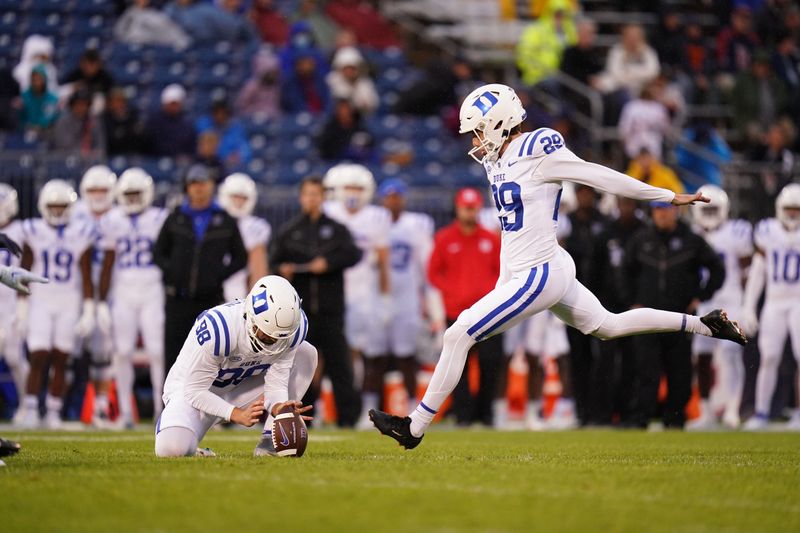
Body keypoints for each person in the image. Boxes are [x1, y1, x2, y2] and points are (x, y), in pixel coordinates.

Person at [370, 83, 746, 449]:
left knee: (458, 334)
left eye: (477, 131)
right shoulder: (497, 159)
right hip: (535, 269)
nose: (474, 142)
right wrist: (504, 283)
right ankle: (705, 325)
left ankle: (414, 427)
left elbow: (597, 174)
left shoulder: (538, 146)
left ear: (499, 122)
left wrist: (665, 196)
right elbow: (510, 232)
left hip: (540, 272)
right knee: (608, 325)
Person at [155, 276, 316, 457]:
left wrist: (279, 407)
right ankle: (189, 440)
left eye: (279, 338)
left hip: (238, 387)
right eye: (266, 335)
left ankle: (271, 440)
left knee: (306, 353)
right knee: (171, 449)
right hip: (193, 393)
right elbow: (194, 391)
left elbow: (277, 382)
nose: (273, 343)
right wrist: (235, 414)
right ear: (251, 317)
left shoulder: (292, 330)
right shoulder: (220, 329)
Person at [270, 176, 362, 426]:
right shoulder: (289, 231)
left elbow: (353, 254)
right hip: (300, 314)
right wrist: (283, 269)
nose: (311, 199)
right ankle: (302, 417)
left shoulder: (336, 229)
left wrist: (328, 264)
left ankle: (348, 418)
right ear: (301, 197)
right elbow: (273, 262)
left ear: (323, 197)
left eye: (316, 194)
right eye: (307, 194)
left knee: (339, 365)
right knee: (301, 367)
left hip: (330, 309)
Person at [626, 201, 725, 429]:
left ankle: (675, 418)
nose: (662, 215)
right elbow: (624, 272)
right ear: (653, 212)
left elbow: (717, 268)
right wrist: (632, 301)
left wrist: (701, 295)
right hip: (647, 317)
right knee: (645, 369)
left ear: (676, 212)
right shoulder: (641, 239)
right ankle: (641, 418)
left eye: (666, 210)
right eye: (658, 210)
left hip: (680, 317)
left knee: (679, 371)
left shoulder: (692, 240)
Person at [154, 164, 247, 374]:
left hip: (210, 301)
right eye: (194, 183)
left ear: (212, 186)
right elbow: (158, 253)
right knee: (174, 359)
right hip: (177, 300)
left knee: (210, 358)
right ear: (187, 187)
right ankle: (170, 406)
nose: (198, 188)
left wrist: (216, 277)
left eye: (203, 183)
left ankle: (209, 406)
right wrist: (173, 274)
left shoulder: (224, 220)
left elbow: (240, 257)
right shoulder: (175, 218)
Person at [16, 180, 95, 429]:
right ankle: (29, 409)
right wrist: (21, 306)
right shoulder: (33, 230)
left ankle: (53, 412)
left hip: (68, 301)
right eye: (54, 206)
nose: (58, 211)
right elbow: (24, 269)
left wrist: (90, 308)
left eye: (62, 206)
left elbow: (85, 273)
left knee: (61, 357)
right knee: (38, 355)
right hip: (40, 299)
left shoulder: (81, 232)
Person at [96, 168, 168, 428]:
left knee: (158, 351)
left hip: (152, 289)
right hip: (124, 290)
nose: (133, 198)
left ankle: (164, 410)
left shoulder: (159, 218)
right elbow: (108, 261)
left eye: (138, 193)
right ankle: (126, 412)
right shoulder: (112, 219)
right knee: (122, 352)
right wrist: (101, 301)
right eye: (129, 193)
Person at [322, 164, 391, 428]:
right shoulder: (330, 212)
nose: (353, 193)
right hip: (332, 293)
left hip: (364, 293)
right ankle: (318, 406)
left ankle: (363, 408)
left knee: (362, 354)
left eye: (358, 188)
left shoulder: (376, 217)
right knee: (324, 354)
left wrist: (386, 299)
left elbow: (384, 262)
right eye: (348, 187)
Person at [427, 188, 502, 427]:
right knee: (457, 365)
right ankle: (463, 414)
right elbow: (433, 272)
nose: (469, 212)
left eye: (473, 207)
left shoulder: (491, 239)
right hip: (456, 312)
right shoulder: (444, 238)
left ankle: (486, 412)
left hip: (489, 312)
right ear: (458, 208)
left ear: (478, 208)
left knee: (491, 363)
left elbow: (503, 272)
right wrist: (451, 291)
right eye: (465, 207)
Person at [373, 179, 439, 426]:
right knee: (375, 357)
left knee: (406, 356)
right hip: (377, 300)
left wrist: (433, 308)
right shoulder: (373, 224)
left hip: (408, 300)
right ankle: (370, 409)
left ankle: (413, 407)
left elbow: (427, 270)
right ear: (381, 199)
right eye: (389, 196)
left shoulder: (416, 225)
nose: (393, 200)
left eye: (397, 196)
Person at [687, 186, 752, 430]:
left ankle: (732, 410)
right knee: (702, 357)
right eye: (707, 208)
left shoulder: (737, 232)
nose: (710, 213)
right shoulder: (692, 234)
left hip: (730, 299)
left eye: (715, 208)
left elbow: (747, 269)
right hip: (704, 301)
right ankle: (706, 411)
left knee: (731, 353)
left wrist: (747, 304)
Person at [741, 184, 800, 431]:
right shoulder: (767, 230)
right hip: (775, 301)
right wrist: (748, 306)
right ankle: (762, 412)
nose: (793, 214)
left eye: (797, 209)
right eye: (789, 208)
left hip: (798, 301)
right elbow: (758, 271)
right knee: (769, 357)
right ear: (779, 208)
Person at [72, 165, 118, 428]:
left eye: (103, 189)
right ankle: (52, 408)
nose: (98, 194)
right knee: (67, 348)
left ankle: (101, 407)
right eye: (93, 189)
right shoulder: (75, 213)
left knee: (104, 349)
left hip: (112, 289)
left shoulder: (120, 215)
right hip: (75, 288)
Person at [0, 185, 30, 421]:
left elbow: (28, 266)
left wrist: (22, 306)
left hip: (10, 301)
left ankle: (26, 404)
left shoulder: (21, 230)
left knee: (13, 357)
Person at [218, 173, 271, 302]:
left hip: (238, 287)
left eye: (243, 198)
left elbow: (258, 270)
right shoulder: (213, 221)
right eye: (235, 197)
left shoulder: (256, 227)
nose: (238, 202)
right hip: (211, 284)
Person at [515, 1, 577, 87]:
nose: (560, 18)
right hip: (538, 79)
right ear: (549, 12)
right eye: (556, 14)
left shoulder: (570, 32)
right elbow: (524, 56)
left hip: (563, 78)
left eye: (562, 14)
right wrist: (540, 72)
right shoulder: (535, 30)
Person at [617, 83, 670, 161]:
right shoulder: (658, 108)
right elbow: (665, 129)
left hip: (639, 145)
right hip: (647, 145)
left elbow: (624, 129)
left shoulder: (632, 106)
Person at [144, 84, 196, 158]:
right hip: (155, 158)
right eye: (172, 104)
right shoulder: (154, 121)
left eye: (176, 104)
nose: (174, 107)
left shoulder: (186, 124)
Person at [114, 0, 191, 50]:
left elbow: (180, 38)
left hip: (155, 49)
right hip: (133, 48)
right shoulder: (128, 15)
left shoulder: (156, 16)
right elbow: (118, 33)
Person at [50, 90, 106, 157]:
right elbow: (63, 145)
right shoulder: (63, 122)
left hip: (91, 160)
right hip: (67, 160)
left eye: (84, 104)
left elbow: (101, 145)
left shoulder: (94, 121)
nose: (81, 107)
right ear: (72, 105)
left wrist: (94, 155)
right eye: (78, 104)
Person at [326, 46, 378, 116]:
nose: (349, 72)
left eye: (352, 68)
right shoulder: (332, 81)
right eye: (346, 69)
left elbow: (372, 105)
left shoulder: (365, 83)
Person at [235, 50, 281, 120]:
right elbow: (241, 105)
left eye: (274, 72)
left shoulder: (276, 85)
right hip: (253, 118)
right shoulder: (252, 85)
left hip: (272, 119)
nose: (272, 75)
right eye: (270, 72)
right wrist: (254, 111)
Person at [103, 87, 144, 156]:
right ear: (110, 104)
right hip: (111, 155)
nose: (119, 104)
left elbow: (139, 138)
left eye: (121, 101)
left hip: (132, 154)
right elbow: (109, 140)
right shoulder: (105, 118)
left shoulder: (133, 116)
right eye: (115, 101)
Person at [19, 65, 59, 132]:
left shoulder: (52, 98)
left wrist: (39, 126)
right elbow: (21, 117)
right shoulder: (24, 96)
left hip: (46, 131)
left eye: (39, 78)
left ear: (44, 80)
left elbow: (50, 116)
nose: (37, 81)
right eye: (34, 78)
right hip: (26, 130)